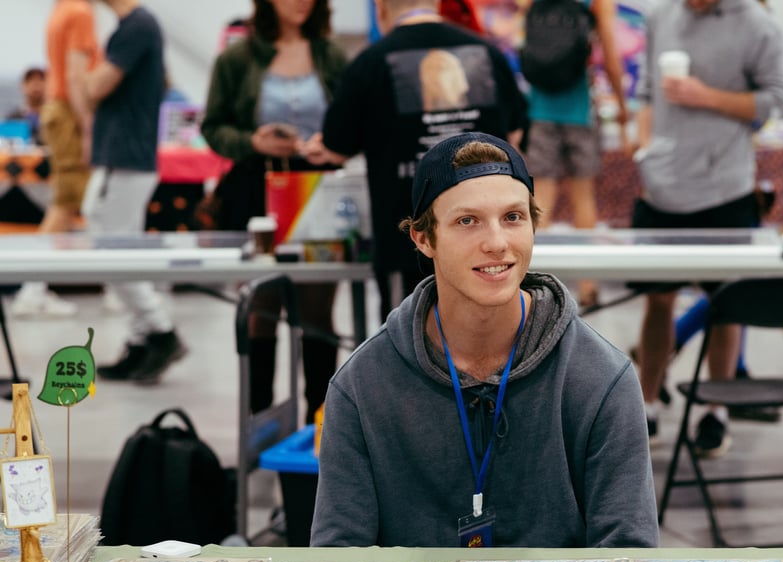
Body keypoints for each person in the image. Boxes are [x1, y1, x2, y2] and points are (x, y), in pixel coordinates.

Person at [311, 132, 659, 548]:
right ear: (423, 238)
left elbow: (627, 557)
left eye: (513, 217)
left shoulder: (602, 378)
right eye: (467, 221)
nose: (496, 243)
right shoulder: (361, 388)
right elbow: (340, 561)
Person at [631, 0, 783, 448]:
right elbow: (646, 93)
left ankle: (715, 409)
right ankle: (647, 405)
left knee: (725, 305)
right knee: (657, 302)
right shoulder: (661, 17)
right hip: (662, 188)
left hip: (726, 189)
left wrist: (707, 96)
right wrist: (645, 153)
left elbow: (778, 99)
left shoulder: (757, 25)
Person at [321, 0, 528, 323]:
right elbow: (514, 135)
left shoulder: (370, 63)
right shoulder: (487, 53)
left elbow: (335, 147)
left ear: (381, 10)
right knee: (491, 341)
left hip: (404, 241)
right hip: (488, 240)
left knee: (407, 348)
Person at [200, 0, 348, 423]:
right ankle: (259, 422)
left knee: (318, 311)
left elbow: (354, 122)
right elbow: (213, 127)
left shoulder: (331, 55)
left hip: (318, 190)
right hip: (256, 192)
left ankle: (320, 428)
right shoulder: (237, 57)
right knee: (261, 309)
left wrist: (331, 142)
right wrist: (254, 142)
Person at [84, 0, 185, 384]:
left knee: (109, 245)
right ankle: (142, 337)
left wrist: (78, 68)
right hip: (124, 154)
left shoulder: (138, 26)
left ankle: (159, 329)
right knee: (115, 243)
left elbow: (96, 86)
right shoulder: (136, 27)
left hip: (126, 156)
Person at [525, 0, 629, 308]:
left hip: (540, 108)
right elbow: (609, 53)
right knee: (583, 198)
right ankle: (587, 286)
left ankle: (533, 284)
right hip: (579, 108)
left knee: (541, 198)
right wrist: (622, 105)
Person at [11, 0, 99, 319]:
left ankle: (34, 288)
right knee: (67, 203)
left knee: (73, 202)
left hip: (59, 110)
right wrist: (88, 127)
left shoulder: (62, 10)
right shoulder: (78, 12)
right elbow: (76, 76)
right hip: (67, 112)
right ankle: (32, 289)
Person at [5, 67, 46, 145]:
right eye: (30, 80)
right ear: (23, 86)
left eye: (41, 80)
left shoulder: (54, 119)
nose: (36, 84)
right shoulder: (13, 118)